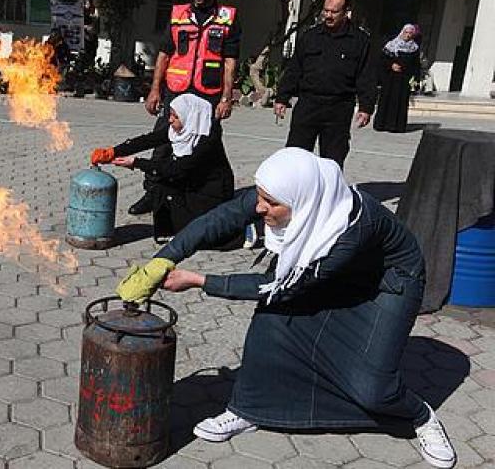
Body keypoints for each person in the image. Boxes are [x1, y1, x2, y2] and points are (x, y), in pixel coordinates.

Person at [114, 147, 457, 469]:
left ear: (302, 204)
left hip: (389, 284)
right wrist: (164, 260)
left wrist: (199, 280)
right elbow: (217, 219)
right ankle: (248, 409)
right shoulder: (290, 193)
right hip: (332, 270)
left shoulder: (347, 230)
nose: (260, 208)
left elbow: (281, 285)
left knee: (372, 388)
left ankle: (420, 415)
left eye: (270, 203)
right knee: (274, 320)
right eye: (260, 198)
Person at [131, 0, 241, 216]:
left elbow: (230, 61)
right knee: (163, 140)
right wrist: (154, 90)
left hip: (207, 94)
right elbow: (163, 55)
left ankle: (201, 195)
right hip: (176, 92)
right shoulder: (178, 14)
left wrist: (226, 98)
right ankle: (152, 192)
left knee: (206, 145)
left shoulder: (228, 18)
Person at [91, 94, 234, 239]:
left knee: (203, 235)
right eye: (170, 115)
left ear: (191, 117)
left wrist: (137, 163)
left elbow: (176, 169)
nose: (170, 120)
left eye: (175, 116)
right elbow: (149, 140)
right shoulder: (179, 130)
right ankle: (170, 231)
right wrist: (113, 151)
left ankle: (238, 233)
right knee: (160, 187)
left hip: (210, 193)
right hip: (192, 184)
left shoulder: (208, 139)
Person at [274, 0, 376, 169]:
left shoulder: (360, 41)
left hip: (339, 108)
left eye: (334, 12)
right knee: (295, 156)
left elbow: (366, 75)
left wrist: (366, 107)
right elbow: (294, 69)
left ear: (346, 12)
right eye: (325, 10)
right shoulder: (310, 36)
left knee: (332, 161)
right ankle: (294, 194)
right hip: (308, 104)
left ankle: (329, 195)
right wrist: (282, 97)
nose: (328, 15)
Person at [374, 24, 421, 133]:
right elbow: (382, 60)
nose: (408, 35)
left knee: (400, 102)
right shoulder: (391, 45)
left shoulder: (414, 48)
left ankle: (396, 126)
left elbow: (416, 65)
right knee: (387, 100)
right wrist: (391, 65)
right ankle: (382, 124)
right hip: (390, 79)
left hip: (404, 80)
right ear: (402, 32)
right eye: (406, 32)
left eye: (410, 33)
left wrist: (415, 79)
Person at [82, 0, 100, 68]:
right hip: (84, 39)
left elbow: (96, 28)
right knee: (84, 56)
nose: (86, 6)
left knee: (91, 56)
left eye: (88, 4)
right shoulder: (82, 14)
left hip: (92, 39)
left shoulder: (94, 13)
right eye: (86, 4)